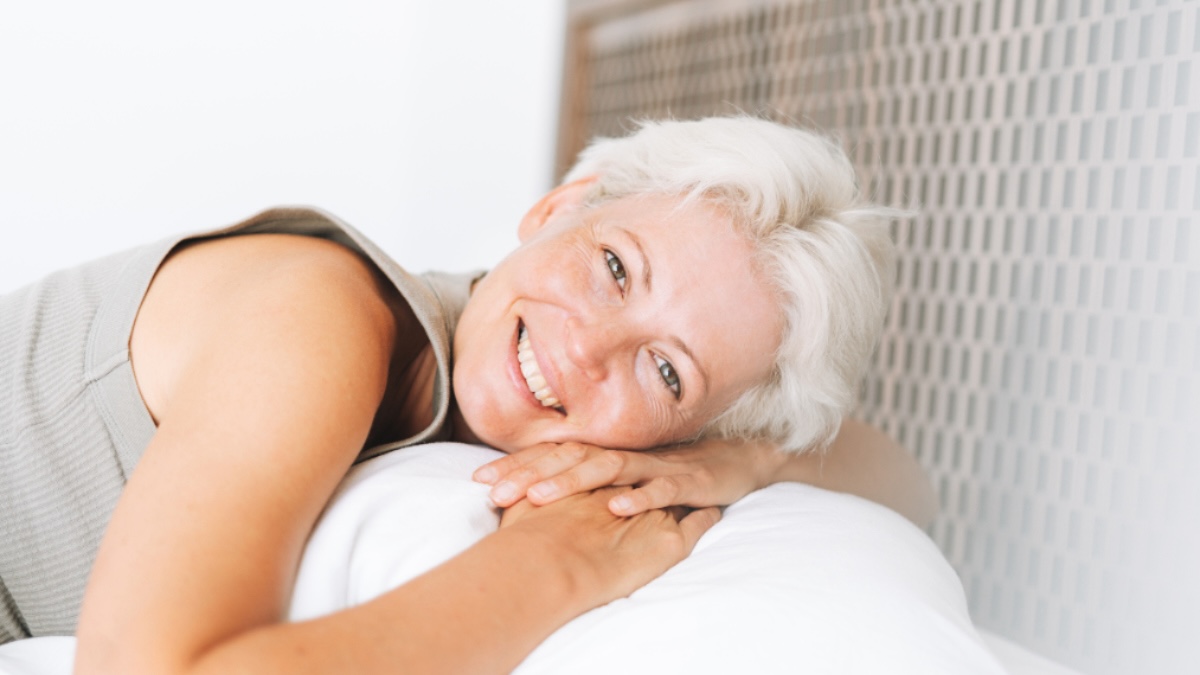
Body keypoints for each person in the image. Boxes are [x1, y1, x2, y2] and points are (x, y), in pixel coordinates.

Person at [0, 116, 934, 674]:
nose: (588, 349)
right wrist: (550, 571)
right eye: (613, 266)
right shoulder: (316, 317)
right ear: (556, 209)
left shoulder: (634, 432)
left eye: (666, 369)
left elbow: (905, 483)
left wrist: (735, 456)